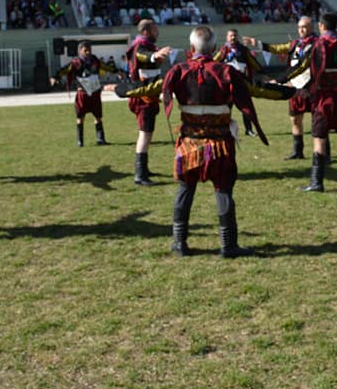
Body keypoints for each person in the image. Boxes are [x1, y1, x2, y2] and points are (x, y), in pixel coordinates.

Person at [118, 26, 296, 258]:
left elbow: (150, 88)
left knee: (185, 188)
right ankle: (228, 245)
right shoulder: (227, 72)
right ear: (213, 48)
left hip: (189, 144)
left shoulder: (177, 72)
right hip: (220, 145)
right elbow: (257, 89)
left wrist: (122, 91)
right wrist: (288, 93)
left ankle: (179, 243)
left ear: (192, 48)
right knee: (223, 190)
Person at [285, 12, 337, 192]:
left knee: (319, 138)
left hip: (323, 97)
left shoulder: (318, 45)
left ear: (321, 26)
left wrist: (282, 78)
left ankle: (317, 182)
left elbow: (302, 66)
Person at [243, 16, 320, 160]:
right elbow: (278, 49)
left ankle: (322, 153)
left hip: (312, 88)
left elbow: (305, 67)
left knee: (317, 121)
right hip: (295, 87)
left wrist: (279, 80)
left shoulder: (317, 44)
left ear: (312, 28)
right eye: (299, 27)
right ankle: (298, 151)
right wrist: (257, 43)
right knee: (295, 120)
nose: (301, 30)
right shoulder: (296, 43)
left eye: (304, 27)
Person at [126, 19, 173, 186]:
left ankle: (144, 169)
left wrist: (158, 54)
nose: (157, 32)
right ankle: (139, 174)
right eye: (155, 29)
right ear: (146, 31)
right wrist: (154, 55)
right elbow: (141, 56)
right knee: (144, 134)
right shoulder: (139, 46)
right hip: (143, 97)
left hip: (149, 96)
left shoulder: (147, 45)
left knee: (148, 133)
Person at [51, 40, 120, 146]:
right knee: (80, 117)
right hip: (82, 93)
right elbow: (64, 70)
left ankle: (100, 139)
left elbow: (106, 67)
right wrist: (55, 77)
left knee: (98, 116)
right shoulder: (75, 62)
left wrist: (117, 71)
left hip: (95, 92)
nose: (88, 52)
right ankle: (80, 141)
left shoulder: (95, 60)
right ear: (80, 51)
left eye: (90, 50)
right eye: (85, 50)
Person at [213, 28, 263, 136]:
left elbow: (252, 62)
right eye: (231, 35)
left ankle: (249, 130)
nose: (233, 37)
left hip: (242, 82)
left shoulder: (243, 49)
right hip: (227, 84)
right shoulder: (223, 50)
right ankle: (225, 129)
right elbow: (213, 63)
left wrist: (262, 72)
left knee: (246, 107)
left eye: (235, 35)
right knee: (226, 107)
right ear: (227, 37)